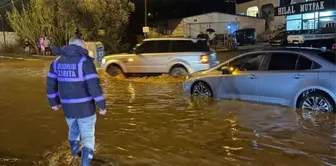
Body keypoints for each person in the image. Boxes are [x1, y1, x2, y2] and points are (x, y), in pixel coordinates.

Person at [46, 37, 107, 166]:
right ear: (81, 47)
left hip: (68, 108)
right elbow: (94, 87)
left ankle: (74, 154)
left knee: (73, 130)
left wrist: (54, 103)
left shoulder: (56, 62)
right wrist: (102, 105)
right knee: (88, 138)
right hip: (85, 109)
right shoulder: (85, 62)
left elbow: (50, 84)